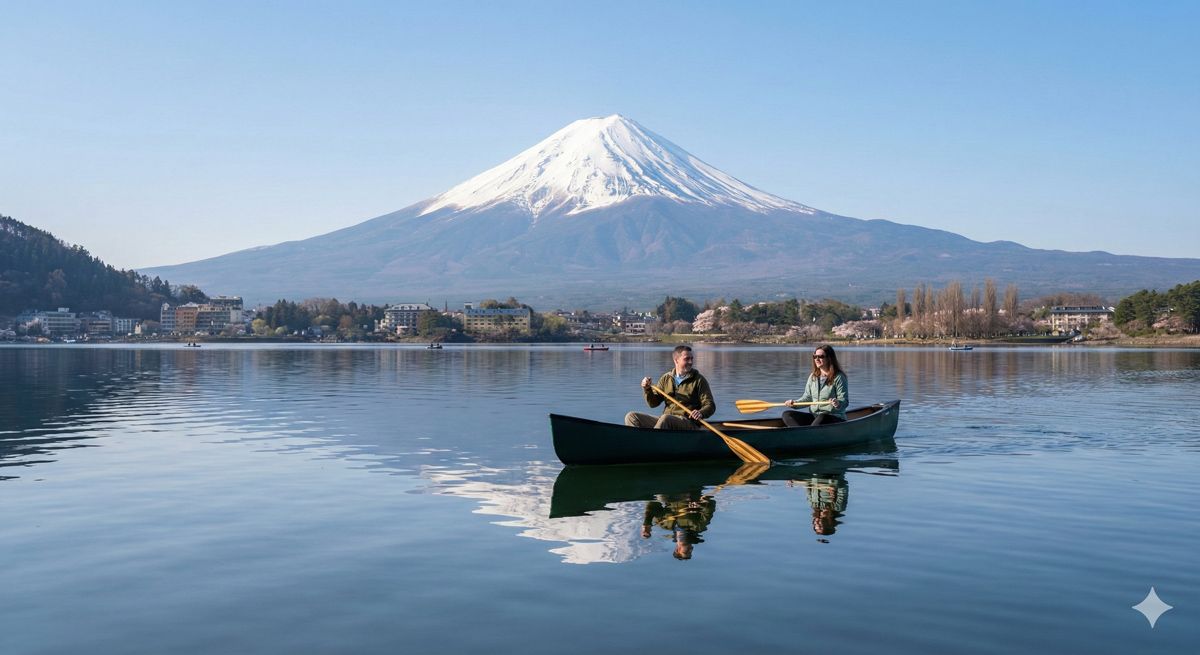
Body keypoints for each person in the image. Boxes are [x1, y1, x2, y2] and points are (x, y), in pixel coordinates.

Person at [624, 345, 715, 430]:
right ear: (676, 360)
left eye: (691, 359)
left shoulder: (699, 380)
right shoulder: (666, 378)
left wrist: (701, 413)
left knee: (665, 419)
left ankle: (653, 440)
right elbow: (653, 403)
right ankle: (638, 439)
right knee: (631, 416)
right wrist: (647, 389)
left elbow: (710, 405)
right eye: (687, 359)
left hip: (688, 422)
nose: (690, 362)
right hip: (666, 421)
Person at [782, 344, 848, 427]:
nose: (817, 359)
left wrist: (837, 403)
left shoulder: (839, 377)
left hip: (833, 417)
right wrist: (794, 404)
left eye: (821, 356)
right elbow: (807, 398)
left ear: (829, 358)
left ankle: (807, 432)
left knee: (822, 417)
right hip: (815, 417)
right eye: (815, 356)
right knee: (787, 414)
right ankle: (804, 432)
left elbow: (844, 402)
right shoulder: (813, 377)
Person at [640, 490, 716, 560]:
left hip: (668, 493)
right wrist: (701, 504)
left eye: (686, 552)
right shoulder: (698, 526)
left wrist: (647, 524)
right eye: (691, 552)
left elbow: (652, 504)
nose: (691, 549)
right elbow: (710, 507)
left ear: (677, 549)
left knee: (660, 497)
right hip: (690, 491)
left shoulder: (664, 524)